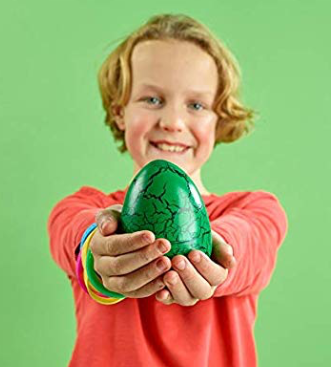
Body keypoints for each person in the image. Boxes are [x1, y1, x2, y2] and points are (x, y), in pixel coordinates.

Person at [47, 13, 288, 367]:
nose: (173, 122)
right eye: (152, 100)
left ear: (218, 119)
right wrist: (99, 251)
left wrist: (213, 250)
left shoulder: (255, 210)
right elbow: (73, 235)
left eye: (196, 105)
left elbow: (251, 246)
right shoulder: (85, 207)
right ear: (119, 112)